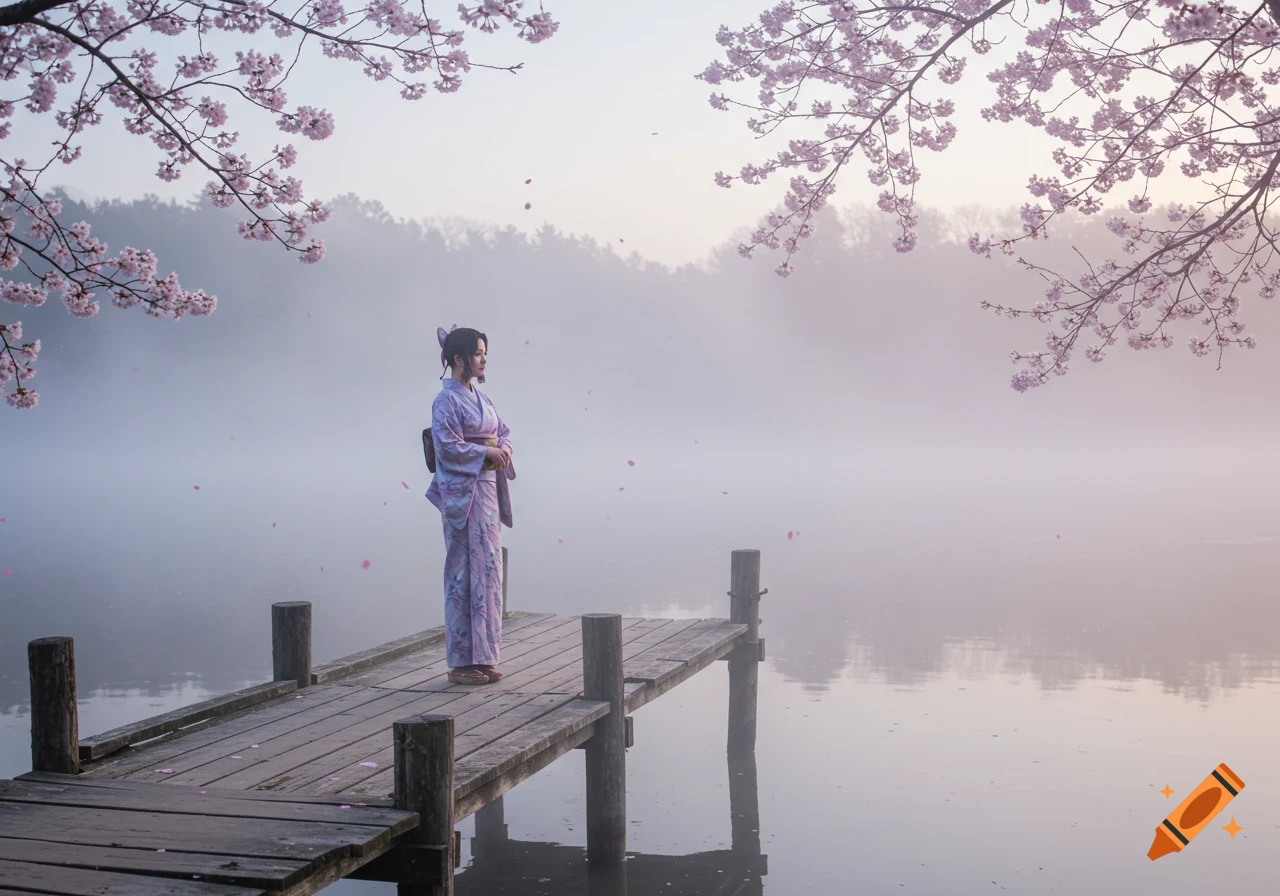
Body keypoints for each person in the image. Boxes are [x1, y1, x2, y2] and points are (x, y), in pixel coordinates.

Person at [425, 325, 515, 685]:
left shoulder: (482, 398)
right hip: (464, 494)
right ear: (458, 358)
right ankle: (461, 662)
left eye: (484, 353)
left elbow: (503, 430)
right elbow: (447, 446)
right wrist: (487, 452)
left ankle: (485, 656)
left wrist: (503, 448)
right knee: (463, 574)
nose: (483, 359)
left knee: (489, 572)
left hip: (487, 493)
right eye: (478, 353)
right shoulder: (445, 400)